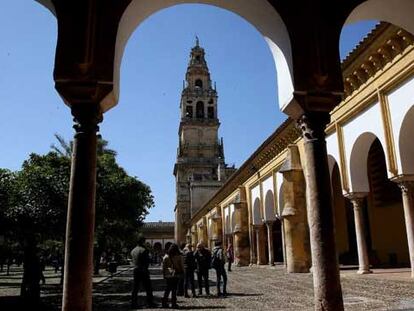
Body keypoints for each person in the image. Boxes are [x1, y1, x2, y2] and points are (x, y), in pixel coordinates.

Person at [131, 236, 156, 308]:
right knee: (148, 287)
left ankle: (134, 303)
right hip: (143, 270)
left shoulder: (133, 250)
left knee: (135, 287)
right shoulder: (144, 250)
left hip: (135, 270)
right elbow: (146, 261)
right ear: (142, 241)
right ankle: (150, 302)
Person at [162, 243, 184, 308]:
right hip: (176, 274)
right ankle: (173, 303)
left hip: (168, 275)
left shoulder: (166, 257)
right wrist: (183, 273)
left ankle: (164, 303)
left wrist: (164, 275)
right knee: (174, 289)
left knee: (167, 289)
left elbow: (163, 267)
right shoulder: (179, 256)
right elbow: (182, 266)